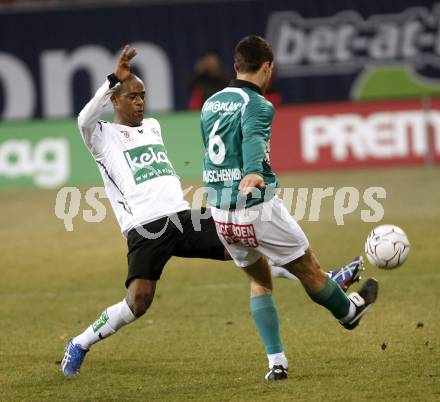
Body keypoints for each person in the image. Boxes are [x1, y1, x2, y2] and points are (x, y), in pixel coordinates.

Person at [60, 46, 362, 376]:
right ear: (115, 100)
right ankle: (80, 343)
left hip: (181, 215)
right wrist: (113, 79)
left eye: (143, 95)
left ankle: (323, 278)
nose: (140, 102)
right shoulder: (101, 135)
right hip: (145, 227)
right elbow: (84, 118)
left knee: (246, 242)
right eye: (132, 96)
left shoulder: (153, 127)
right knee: (139, 301)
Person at [200, 35, 379, 381]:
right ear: (267, 68)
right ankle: (348, 312)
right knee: (309, 268)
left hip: (221, 214)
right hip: (257, 208)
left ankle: (276, 363)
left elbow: (210, 151)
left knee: (259, 279)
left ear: (236, 67)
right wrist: (253, 171)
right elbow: (253, 136)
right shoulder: (260, 105)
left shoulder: (210, 103)